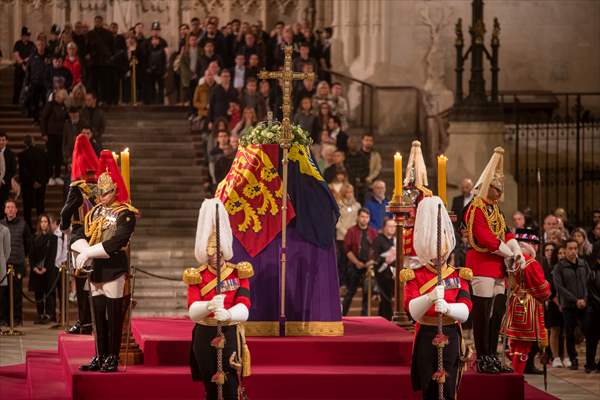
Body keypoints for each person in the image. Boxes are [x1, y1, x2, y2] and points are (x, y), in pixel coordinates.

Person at [72, 150, 138, 372]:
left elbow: (117, 241)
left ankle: (112, 356)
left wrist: (88, 253)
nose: (101, 197)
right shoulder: (94, 213)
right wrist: (82, 250)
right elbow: (78, 233)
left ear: (115, 191)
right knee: (97, 315)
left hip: (114, 268)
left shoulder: (125, 213)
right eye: (99, 193)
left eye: (106, 193)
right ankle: (100, 355)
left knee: (114, 314)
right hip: (96, 270)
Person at [403, 196, 472, 400]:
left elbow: (466, 309)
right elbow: (412, 311)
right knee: (429, 387)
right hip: (426, 333)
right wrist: (430, 298)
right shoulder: (414, 275)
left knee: (448, 387)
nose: (439, 257)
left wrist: (449, 309)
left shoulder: (458, 275)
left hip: (450, 332)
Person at [183, 198, 252, 399]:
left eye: (218, 250)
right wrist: (209, 306)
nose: (215, 255)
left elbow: (245, 305)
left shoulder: (238, 273)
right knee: (211, 386)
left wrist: (229, 314)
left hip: (229, 332)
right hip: (205, 332)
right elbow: (192, 309)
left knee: (230, 384)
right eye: (211, 250)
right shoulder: (197, 275)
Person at [464, 147, 520, 373]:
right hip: (482, 265)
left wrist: (516, 250)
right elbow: (486, 238)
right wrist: (510, 253)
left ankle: (492, 355)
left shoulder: (495, 209)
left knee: (496, 313)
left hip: (498, 267)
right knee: (482, 313)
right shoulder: (475, 208)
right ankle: (482, 356)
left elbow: (505, 231)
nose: (500, 193)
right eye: (497, 188)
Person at [60, 134, 99, 335]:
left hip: (79, 235)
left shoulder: (77, 187)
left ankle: (84, 323)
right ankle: (93, 321)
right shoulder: (100, 184)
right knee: (94, 283)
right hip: (98, 237)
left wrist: (63, 225)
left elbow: (66, 211)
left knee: (81, 280)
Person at [499, 228, 551, 374]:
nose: (536, 247)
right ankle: (517, 376)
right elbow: (541, 288)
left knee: (515, 343)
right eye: (533, 243)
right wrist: (548, 287)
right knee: (523, 346)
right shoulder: (531, 263)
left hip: (514, 302)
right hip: (528, 306)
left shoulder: (511, 262)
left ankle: (514, 373)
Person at [553, 239, 590, 370]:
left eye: (575, 248)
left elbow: (588, 282)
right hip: (569, 305)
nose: (573, 251)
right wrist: (575, 300)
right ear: (566, 249)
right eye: (570, 248)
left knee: (588, 331)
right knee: (569, 333)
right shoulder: (559, 267)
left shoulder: (583, 264)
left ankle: (589, 362)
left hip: (584, 304)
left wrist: (584, 299)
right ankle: (573, 359)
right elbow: (560, 287)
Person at [1, 200, 32, 326]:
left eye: (12, 207)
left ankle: (17, 319)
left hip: (17, 263)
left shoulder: (23, 224)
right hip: (3, 265)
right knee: (3, 294)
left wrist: (26, 257)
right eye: (8, 207)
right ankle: (3, 319)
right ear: (4, 210)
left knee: (17, 293)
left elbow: (29, 242)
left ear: (16, 210)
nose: (10, 210)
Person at [342, 208, 377, 316]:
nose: (364, 219)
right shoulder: (351, 231)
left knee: (367, 293)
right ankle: (342, 315)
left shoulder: (373, 232)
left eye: (366, 217)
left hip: (368, 267)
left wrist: (370, 262)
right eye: (362, 217)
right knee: (350, 292)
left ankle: (365, 317)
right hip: (354, 265)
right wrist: (357, 262)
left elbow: (376, 250)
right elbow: (347, 250)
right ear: (358, 217)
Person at [29, 214, 58, 324]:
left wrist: (46, 268)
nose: (44, 224)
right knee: (38, 294)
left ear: (49, 224)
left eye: (46, 221)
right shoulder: (34, 237)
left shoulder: (54, 238)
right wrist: (34, 268)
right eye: (42, 222)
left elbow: (52, 255)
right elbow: (31, 255)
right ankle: (40, 315)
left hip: (48, 270)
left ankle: (50, 315)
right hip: (36, 271)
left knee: (49, 294)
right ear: (39, 224)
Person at [18, 135, 49, 230]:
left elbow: (23, 171)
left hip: (27, 185)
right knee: (40, 206)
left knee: (27, 208)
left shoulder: (22, 155)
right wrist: (42, 181)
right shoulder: (42, 153)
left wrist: (32, 181)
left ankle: (28, 228)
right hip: (41, 184)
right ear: (34, 142)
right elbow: (47, 168)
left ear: (25, 143)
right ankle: (41, 227)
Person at [40, 89, 68, 186]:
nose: (63, 99)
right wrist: (44, 133)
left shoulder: (64, 106)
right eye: (61, 97)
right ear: (57, 96)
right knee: (50, 156)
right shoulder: (50, 105)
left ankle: (57, 175)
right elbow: (43, 118)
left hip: (61, 135)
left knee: (59, 156)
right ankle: (50, 176)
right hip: (51, 134)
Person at [335, 183, 360, 288]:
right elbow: (336, 221)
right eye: (347, 192)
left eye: (351, 192)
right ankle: (342, 283)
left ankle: (352, 284)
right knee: (342, 261)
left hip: (353, 237)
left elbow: (357, 219)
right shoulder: (339, 204)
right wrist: (345, 232)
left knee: (352, 261)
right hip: (341, 236)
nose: (349, 194)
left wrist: (352, 233)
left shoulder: (357, 205)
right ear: (343, 193)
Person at [371, 218, 397, 320]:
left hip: (394, 273)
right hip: (382, 274)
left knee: (390, 300)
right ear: (384, 227)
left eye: (394, 226)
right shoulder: (378, 240)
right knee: (386, 299)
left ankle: (384, 318)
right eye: (390, 226)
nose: (392, 228)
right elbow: (374, 257)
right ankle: (386, 318)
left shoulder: (396, 240)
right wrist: (385, 258)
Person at [86, 16, 115, 105]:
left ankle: (104, 100)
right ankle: (94, 100)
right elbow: (87, 48)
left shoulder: (108, 34)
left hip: (104, 62)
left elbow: (112, 48)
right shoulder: (89, 34)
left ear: (102, 22)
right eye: (96, 21)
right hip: (94, 63)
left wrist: (109, 57)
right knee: (93, 83)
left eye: (99, 21)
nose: (98, 23)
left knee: (105, 83)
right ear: (94, 22)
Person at [585, 244, 600, 373]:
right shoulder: (593, 273)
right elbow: (591, 292)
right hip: (594, 310)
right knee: (592, 339)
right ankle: (589, 363)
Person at [13, 27, 35, 105]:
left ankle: (26, 101)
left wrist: (26, 63)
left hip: (28, 66)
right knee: (18, 83)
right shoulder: (17, 43)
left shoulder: (32, 44)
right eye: (26, 35)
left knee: (28, 85)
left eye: (29, 35)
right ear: (22, 36)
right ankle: (16, 101)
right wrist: (22, 63)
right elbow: (16, 55)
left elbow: (32, 55)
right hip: (19, 66)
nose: (28, 37)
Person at [344, 136, 370, 204]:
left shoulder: (363, 157)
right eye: (351, 143)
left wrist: (359, 177)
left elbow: (367, 170)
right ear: (347, 144)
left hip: (361, 182)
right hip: (349, 181)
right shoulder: (345, 157)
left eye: (355, 142)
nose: (353, 144)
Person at [0, 132, 18, 220]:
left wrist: (3, 180)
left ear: (6, 141)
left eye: (3, 140)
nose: (1, 142)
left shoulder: (10, 154)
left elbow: (13, 170)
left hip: (5, 185)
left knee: (4, 207)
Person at [0, 223, 11, 326]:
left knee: (1, 296)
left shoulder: (4, 230)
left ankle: (2, 319)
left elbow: (7, 251)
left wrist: (2, 261)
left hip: (0, 269)